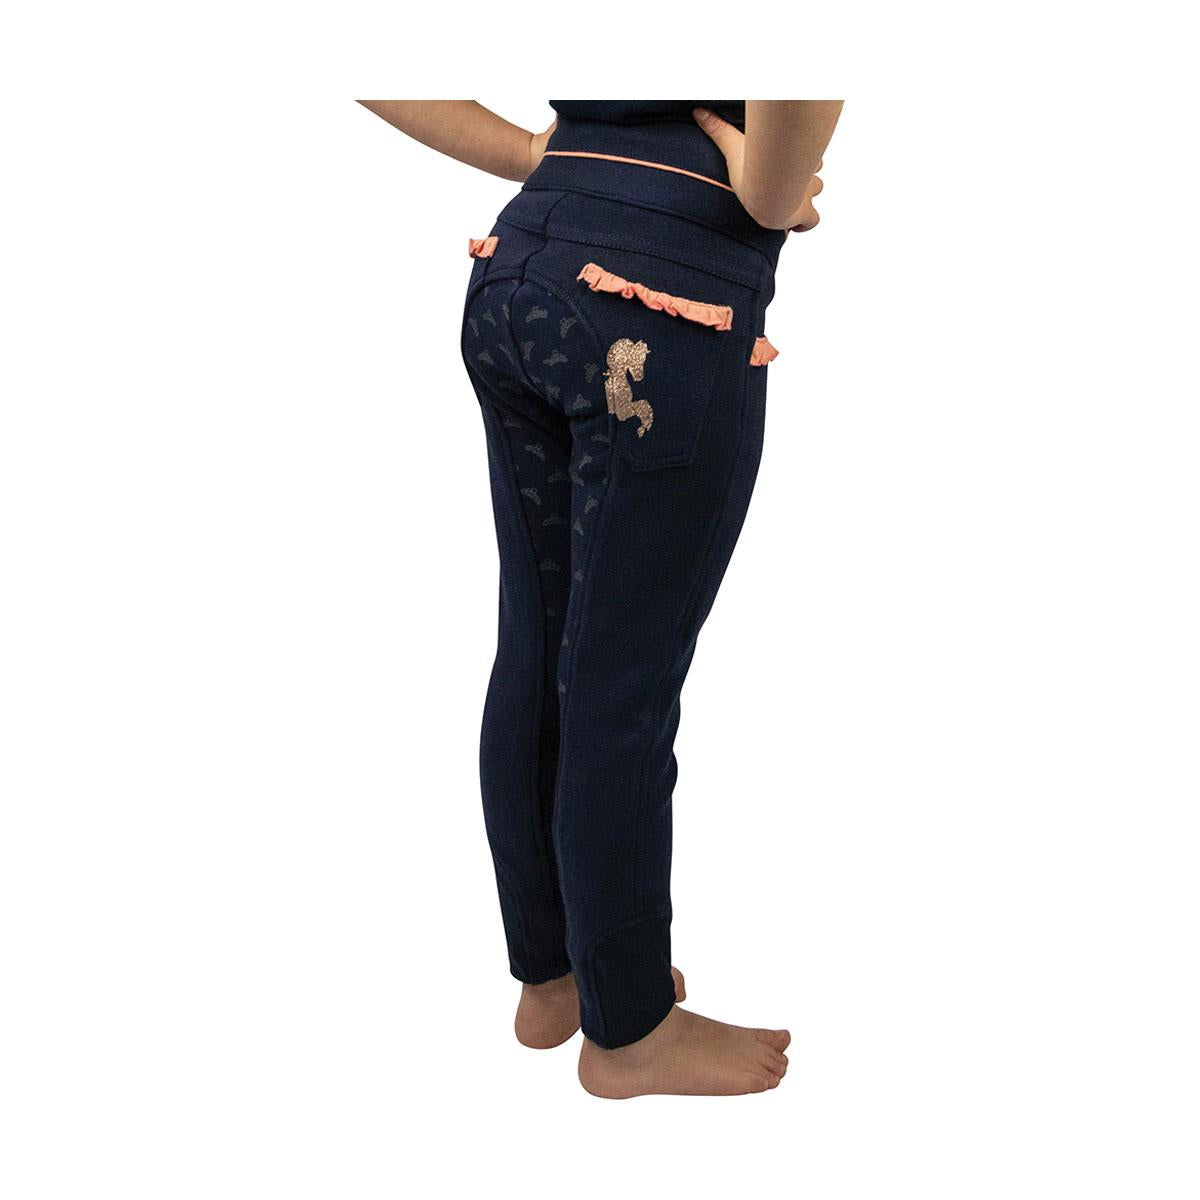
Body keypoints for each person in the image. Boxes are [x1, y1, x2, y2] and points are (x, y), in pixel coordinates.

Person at [358, 99, 843, 1097]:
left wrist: (537, 149)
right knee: (620, 688)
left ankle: (553, 981)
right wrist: (774, 184)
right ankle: (629, 1030)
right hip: (659, 300)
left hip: (518, 270)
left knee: (538, 647)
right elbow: (779, 148)